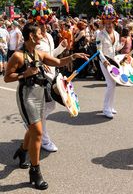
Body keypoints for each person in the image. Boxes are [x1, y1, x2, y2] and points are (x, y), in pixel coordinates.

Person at [4, 24, 88, 190]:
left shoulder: (39, 54)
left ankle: (22, 151)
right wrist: (23, 74)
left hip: (40, 95)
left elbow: (58, 62)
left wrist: (73, 56)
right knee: (38, 132)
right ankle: (35, 173)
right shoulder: (18, 56)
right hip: (26, 96)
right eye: (38, 34)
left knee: (34, 129)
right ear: (30, 36)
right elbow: (7, 77)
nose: (42, 36)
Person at [36, 23, 68, 152]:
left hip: (52, 74)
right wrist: (39, 63)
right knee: (46, 106)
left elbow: (51, 55)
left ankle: (33, 123)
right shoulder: (34, 39)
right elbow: (27, 54)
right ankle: (44, 139)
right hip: (40, 77)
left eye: (45, 23)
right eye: (40, 24)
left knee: (50, 106)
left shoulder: (49, 36)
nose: (44, 27)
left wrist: (61, 47)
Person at [96, 5, 123, 119]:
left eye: (110, 22)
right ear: (103, 22)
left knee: (114, 84)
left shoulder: (116, 34)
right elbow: (99, 51)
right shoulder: (100, 34)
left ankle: (110, 107)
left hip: (114, 62)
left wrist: (121, 50)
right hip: (104, 62)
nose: (108, 24)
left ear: (114, 22)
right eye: (106, 22)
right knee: (110, 84)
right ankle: (106, 109)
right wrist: (105, 61)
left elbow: (115, 49)